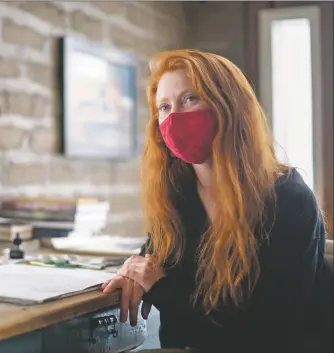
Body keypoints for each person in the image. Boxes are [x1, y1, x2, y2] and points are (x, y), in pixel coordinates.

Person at [101, 50, 333, 353]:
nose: (174, 118)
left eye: (189, 99)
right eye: (164, 107)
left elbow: (272, 334)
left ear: (229, 105)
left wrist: (162, 288)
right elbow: (149, 264)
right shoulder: (178, 197)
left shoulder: (289, 199)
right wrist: (134, 269)